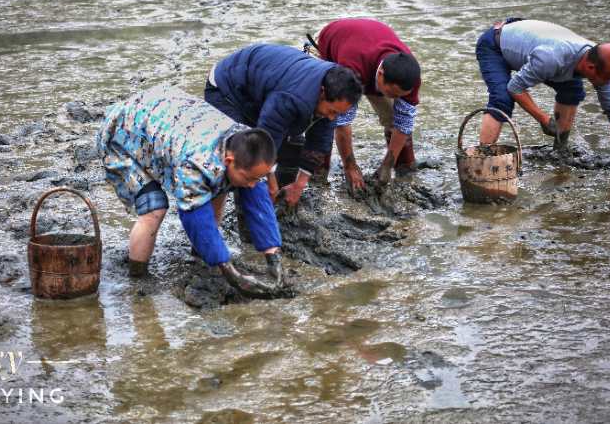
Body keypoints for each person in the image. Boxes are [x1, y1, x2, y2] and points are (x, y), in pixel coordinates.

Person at [97, 84, 285, 297]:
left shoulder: (244, 143)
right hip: (122, 136)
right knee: (154, 209)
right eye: (250, 178)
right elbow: (195, 215)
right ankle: (137, 279)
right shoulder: (195, 165)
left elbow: (257, 200)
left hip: (163, 118)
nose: (253, 184)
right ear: (229, 160)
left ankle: (203, 257)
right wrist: (231, 273)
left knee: (223, 184)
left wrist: (273, 258)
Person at [476, 18, 610, 167]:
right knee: (502, 99)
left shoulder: (596, 58)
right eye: (605, 79)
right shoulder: (552, 58)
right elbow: (515, 87)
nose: (606, 84)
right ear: (590, 67)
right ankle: (480, 160)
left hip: (527, 39)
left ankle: (559, 151)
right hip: (495, 44)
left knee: (572, 90)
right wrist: (544, 119)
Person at [204, 43, 363, 207]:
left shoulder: (337, 88)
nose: (332, 118)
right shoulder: (292, 97)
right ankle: (248, 215)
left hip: (264, 92)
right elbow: (266, 139)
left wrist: (299, 185)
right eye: (331, 111)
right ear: (322, 92)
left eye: (338, 113)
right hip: (227, 89)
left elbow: (320, 140)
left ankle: (281, 201)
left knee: (294, 148)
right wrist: (270, 181)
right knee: (245, 159)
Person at [312, 18, 422, 193]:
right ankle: (317, 177)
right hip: (328, 45)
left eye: (400, 96)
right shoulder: (352, 70)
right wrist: (350, 167)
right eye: (392, 94)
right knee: (325, 115)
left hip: (368, 48)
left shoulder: (410, 77)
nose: (395, 99)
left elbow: (403, 124)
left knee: (395, 118)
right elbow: (342, 123)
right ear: (380, 74)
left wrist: (387, 164)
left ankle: (404, 169)